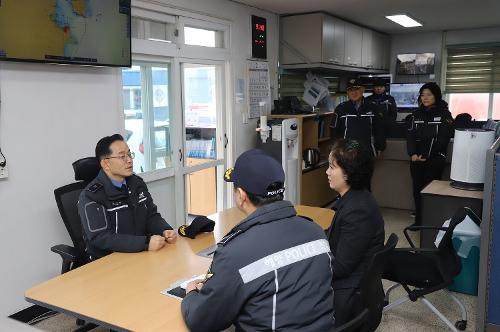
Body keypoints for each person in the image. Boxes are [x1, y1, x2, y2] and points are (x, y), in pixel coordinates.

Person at [181, 149, 335, 332]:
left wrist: (191, 293)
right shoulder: (315, 231)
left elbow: (201, 320)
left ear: (241, 195)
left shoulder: (234, 253)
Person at [77, 134, 177, 260]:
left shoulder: (137, 184)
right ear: (106, 164)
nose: (129, 160)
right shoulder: (91, 196)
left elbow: (151, 216)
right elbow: (101, 238)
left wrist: (164, 230)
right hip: (109, 261)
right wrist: (145, 243)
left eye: (129, 154)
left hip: (139, 254)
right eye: (122, 156)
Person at [325, 139, 385, 327]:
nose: (327, 172)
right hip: (354, 285)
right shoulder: (354, 198)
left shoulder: (358, 210)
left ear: (348, 173)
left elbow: (342, 267)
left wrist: (308, 266)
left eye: (332, 167)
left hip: (351, 297)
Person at [407, 82, 453, 225]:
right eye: (422, 95)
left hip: (435, 159)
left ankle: (429, 221)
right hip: (416, 159)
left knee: (430, 191)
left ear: (436, 96)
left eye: (429, 94)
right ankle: (419, 221)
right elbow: (410, 137)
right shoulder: (415, 114)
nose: (425, 98)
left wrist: (427, 155)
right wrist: (413, 154)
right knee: (417, 190)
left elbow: (444, 138)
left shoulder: (445, 114)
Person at [331, 78, 386, 157]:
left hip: (368, 151)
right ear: (347, 92)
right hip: (347, 153)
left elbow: (379, 129)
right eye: (350, 90)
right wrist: (335, 150)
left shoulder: (373, 107)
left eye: (357, 89)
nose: (353, 92)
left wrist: (381, 147)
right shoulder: (340, 108)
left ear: (363, 90)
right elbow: (334, 131)